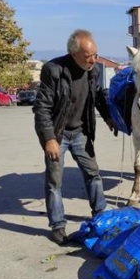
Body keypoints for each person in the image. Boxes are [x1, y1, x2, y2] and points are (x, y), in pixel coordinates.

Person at [33, 29, 117, 245]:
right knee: (54, 182)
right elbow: (42, 107)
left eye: (95, 54)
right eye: (88, 56)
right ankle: (58, 226)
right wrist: (49, 138)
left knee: (94, 175)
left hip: (81, 132)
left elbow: (98, 95)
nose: (93, 60)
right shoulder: (54, 70)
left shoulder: (93, 70)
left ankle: (100, 215)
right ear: (73, 54)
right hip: (58, 134)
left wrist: (108, 117)